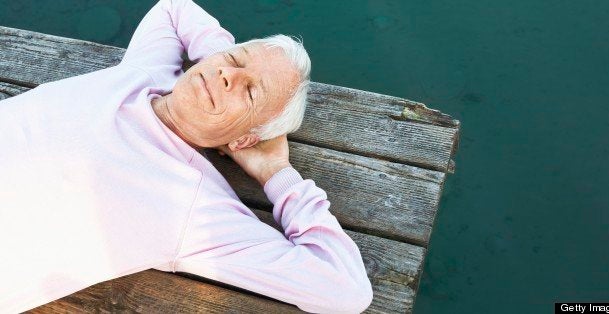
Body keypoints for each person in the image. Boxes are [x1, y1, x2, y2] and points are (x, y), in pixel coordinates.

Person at [0, 0, 373, 313]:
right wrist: (217, 58)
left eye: (249, 93)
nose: (228, 75)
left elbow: (345, 290)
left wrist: (277, 173)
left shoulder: (197, 211)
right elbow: (173, 7)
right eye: (234, 60)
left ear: (244, 140)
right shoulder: (145, 72)